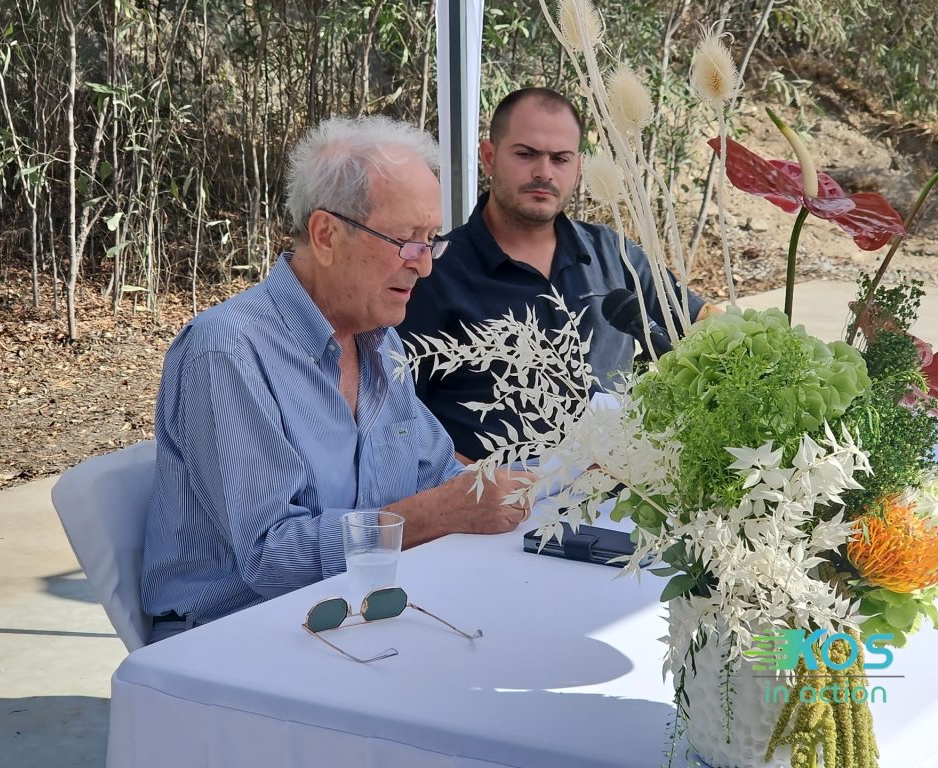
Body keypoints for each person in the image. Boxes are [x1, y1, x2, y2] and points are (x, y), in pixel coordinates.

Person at [141, 115, 529, 643]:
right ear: (326, 235)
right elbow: (270, 557)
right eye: (406, 241)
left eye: (431, 241)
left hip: (359, 618)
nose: (425, 266)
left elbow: (440, 477)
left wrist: (558, 473)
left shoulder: (379, 342)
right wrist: (431, 516)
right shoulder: (229, 350)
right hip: (232, 640)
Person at [398, 87, 712, 462]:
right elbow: (399, 417)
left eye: (560, 159)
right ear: (489, 157)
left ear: (578, 169)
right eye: (526, 154)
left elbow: (705, 330)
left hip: (622, 487)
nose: (543, 172)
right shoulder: (434, 271)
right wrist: (472, 482)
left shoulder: (614, 255)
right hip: (498, 495)